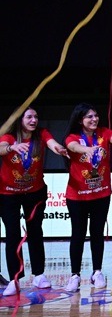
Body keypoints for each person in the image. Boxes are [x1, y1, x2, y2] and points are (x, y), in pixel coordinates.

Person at [62, 104, 112, 292]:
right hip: (77, 195)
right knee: (78, 234)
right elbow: (72, 146)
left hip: (101, 193)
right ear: (80, 120)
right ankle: (75, 275)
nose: (94, 119)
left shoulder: (103, 133)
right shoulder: (72, 137)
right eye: (89, 117)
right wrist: (86, 150)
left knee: (97, 233)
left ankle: (97, 272)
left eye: (96, 115)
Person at [0, 107, 67, 296]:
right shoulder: (9, 137)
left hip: (35, 192)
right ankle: (14, 279)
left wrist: (59, 149)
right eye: (29, 117)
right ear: (20, 119)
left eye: (36, 116)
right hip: (8, 194)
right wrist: (11, 148)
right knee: (13, 235)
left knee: (35, 231)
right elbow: (1, 147)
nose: (33, 120)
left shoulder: (41, 134)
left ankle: (39, 275)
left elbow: (52, 143)